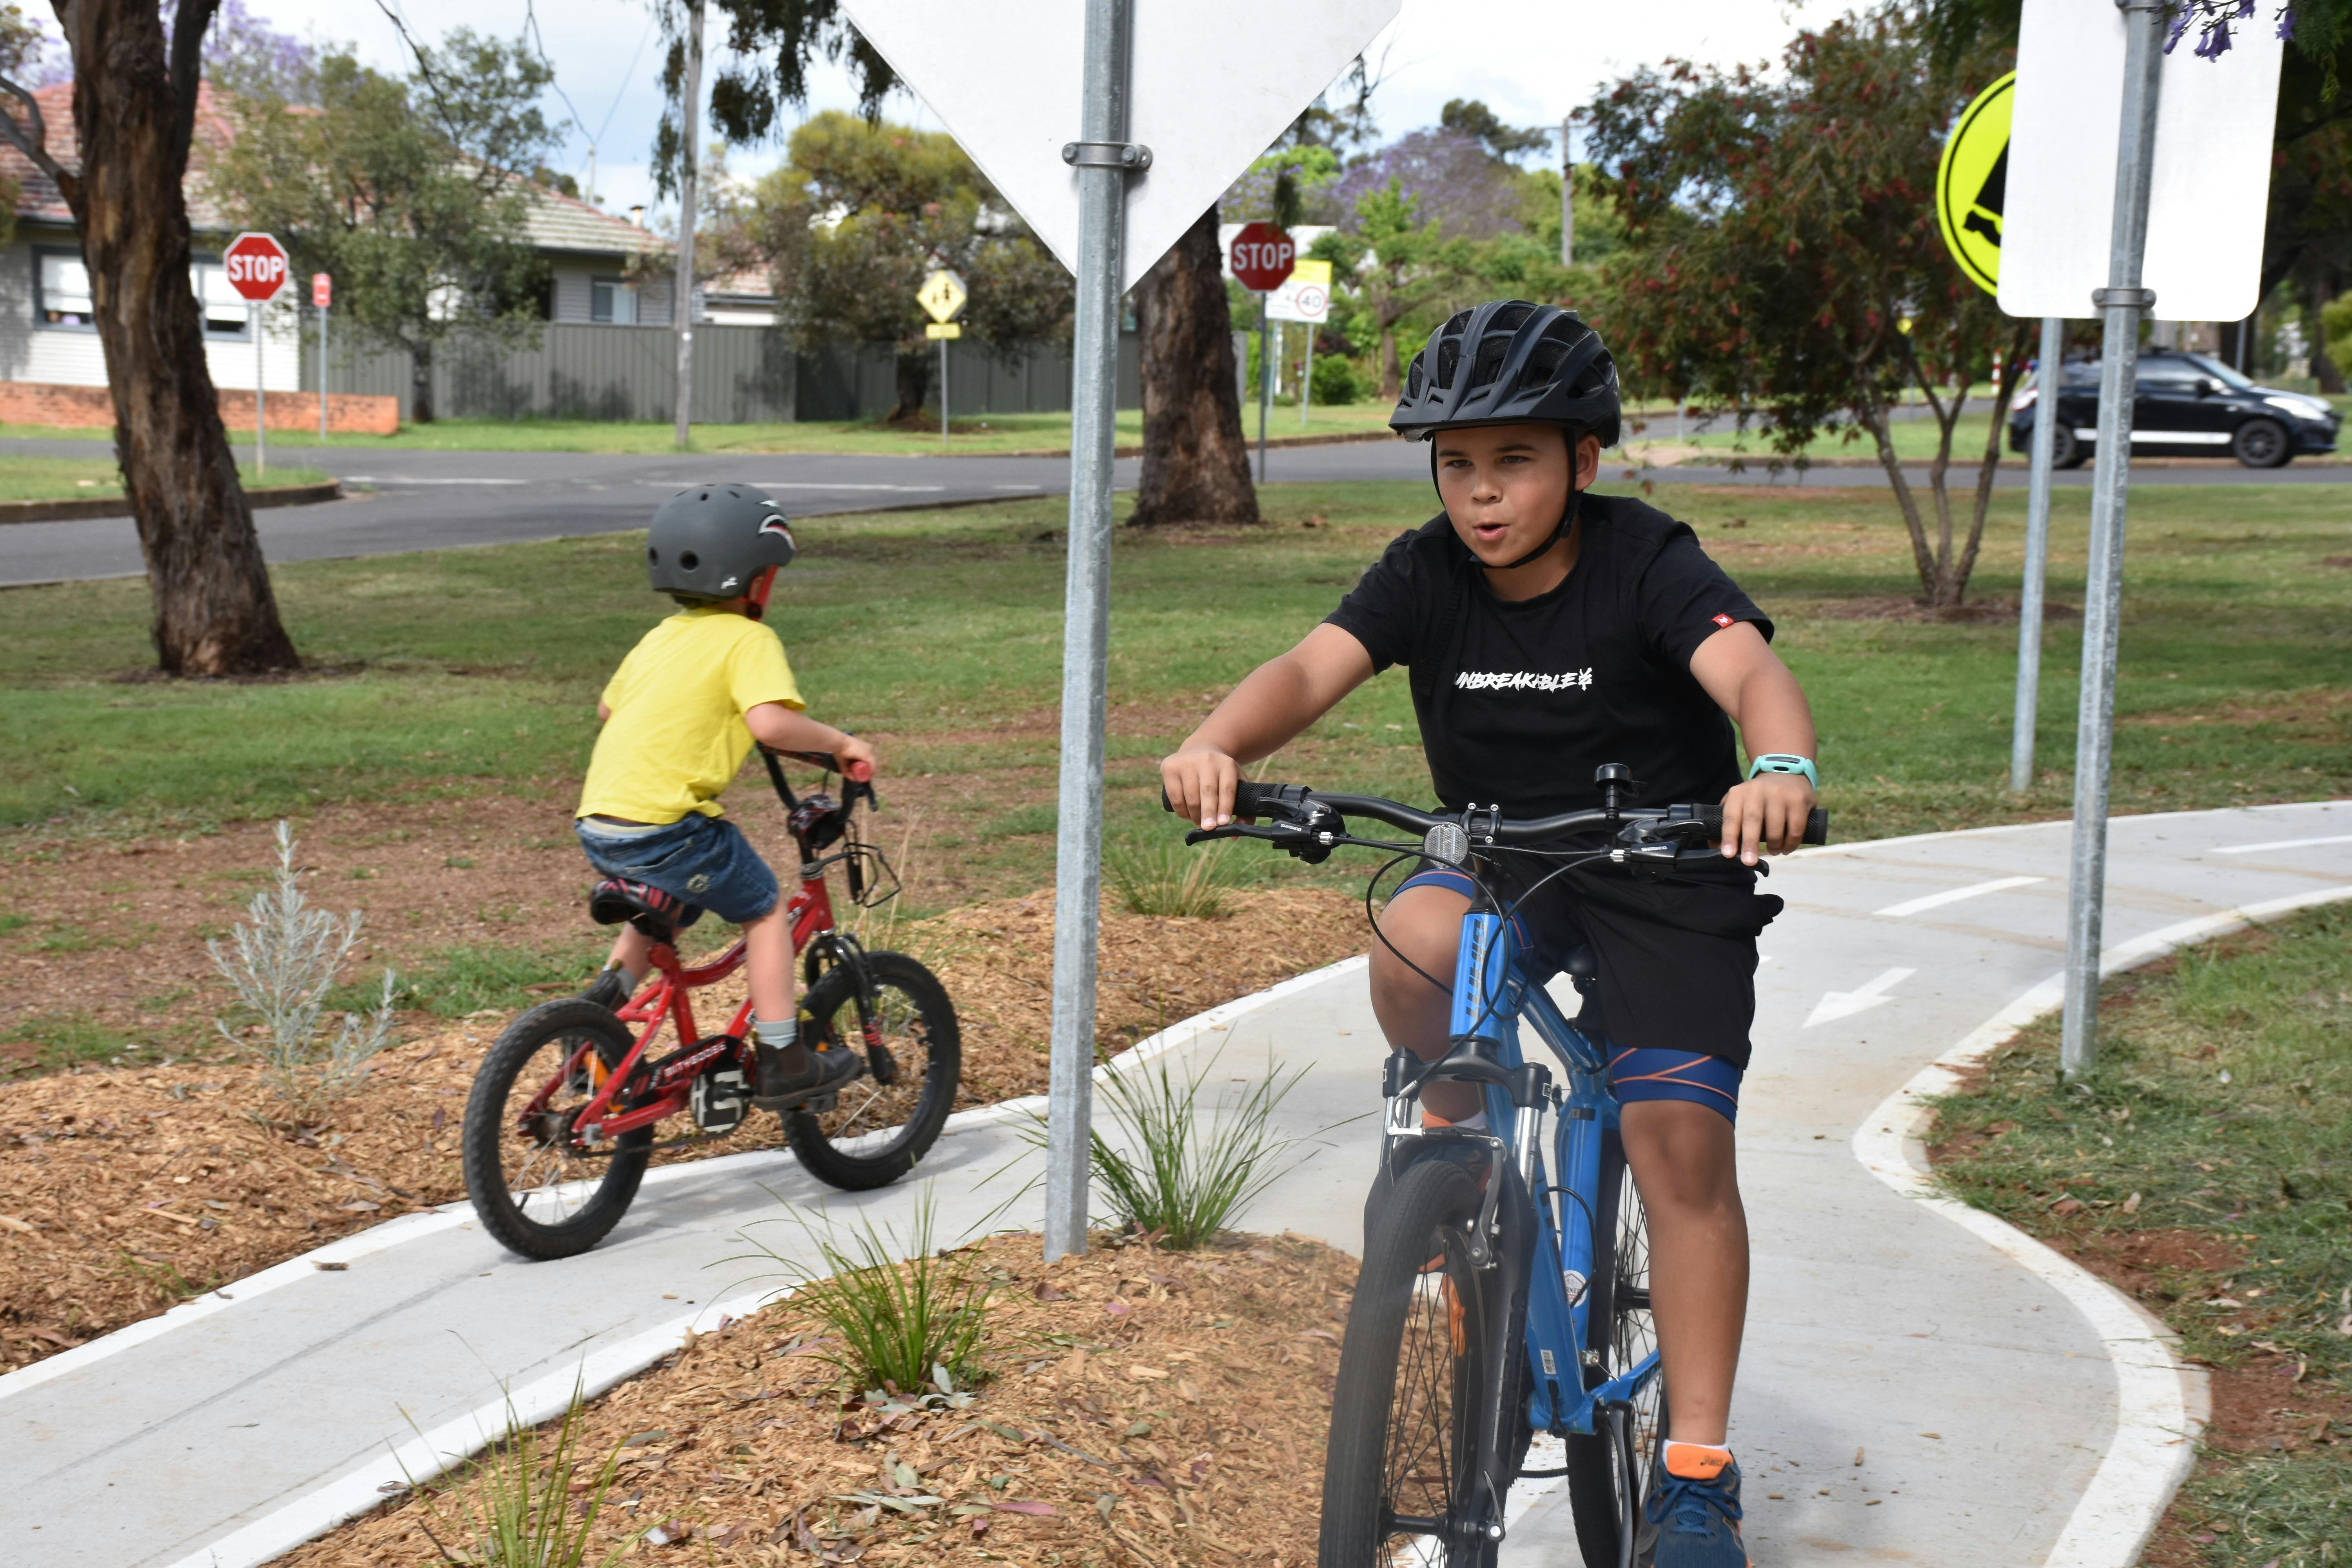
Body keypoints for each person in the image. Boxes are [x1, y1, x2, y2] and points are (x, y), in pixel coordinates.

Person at [1159, 301, 1816, 1568]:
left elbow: (1745, 671)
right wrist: (1218, 743)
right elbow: (1311, 667)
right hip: (1504, 861)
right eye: (1456, 465)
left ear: (1584, 458)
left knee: (1676, 1141)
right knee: (1409, 933)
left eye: (1514, 460)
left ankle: (1693, 1468)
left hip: (1663, 866)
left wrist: (1775, 761)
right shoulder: (1424, 574)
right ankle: (1450, 1145)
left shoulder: (1647, 561)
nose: (1481, 496)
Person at [574, 483, 877, 1112]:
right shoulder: (748, 641)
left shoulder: (661, 637)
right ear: (757, 580)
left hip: (603, 822)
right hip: (669, 828)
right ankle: (784, 1059)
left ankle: (590, 1036)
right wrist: (841, 743)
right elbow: (770, 723)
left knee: (653, 918)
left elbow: (610, 708)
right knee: (765, 910)